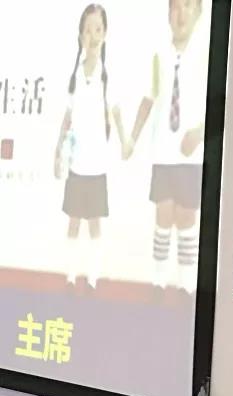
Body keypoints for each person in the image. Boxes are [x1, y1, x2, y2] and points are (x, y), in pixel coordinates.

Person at [125, 0, 208, 293]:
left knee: (186, 218)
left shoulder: (207, 55)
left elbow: (221, 103)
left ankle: (187, 285)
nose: (181, 13)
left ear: (198, 12)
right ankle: (158, 282)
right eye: (175, 7)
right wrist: (132, 138)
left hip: (191, 155)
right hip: (163, 149)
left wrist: (200, 133)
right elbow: (149, 98)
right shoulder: (159, 55)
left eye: (188, 6)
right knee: (163, 215)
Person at [54, 3, 128, 288]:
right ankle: (70, 277)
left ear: (105, 33)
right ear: (80, 36)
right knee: (73, 221)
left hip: (98, 165)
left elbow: (117, 113)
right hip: (76, 163)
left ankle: (93, 279)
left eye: (98, 29)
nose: (93, 35)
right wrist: (57, 150)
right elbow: (67, 116)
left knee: (95, 223)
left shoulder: (108, 76)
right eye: (87, 30)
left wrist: (125, 140)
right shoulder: (74, 76)